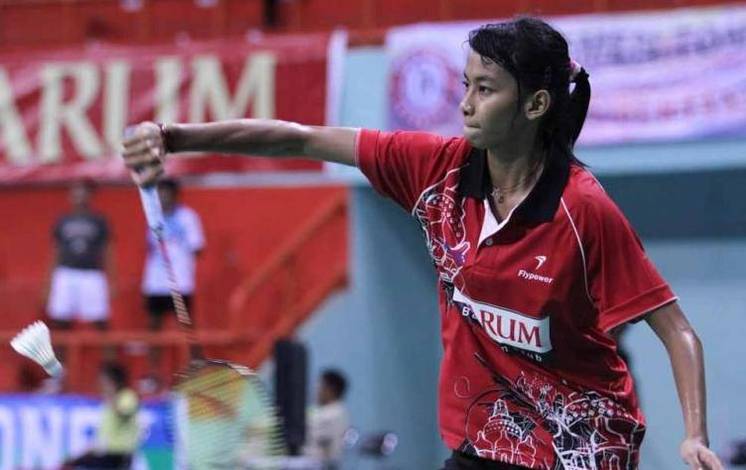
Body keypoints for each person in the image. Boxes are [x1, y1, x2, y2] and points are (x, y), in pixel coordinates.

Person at [121, 17, 723, 470]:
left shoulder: (582, 211)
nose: (465, 103)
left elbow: (677, 331)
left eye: (486, 89)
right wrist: (173, 136)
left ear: (535, 105)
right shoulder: (436, 171)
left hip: (580, 447)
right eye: (466, 84)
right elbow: (300, 139)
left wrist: (694, 435)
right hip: (482, 438)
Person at [140, 178, 204, 388]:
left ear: (175, 195)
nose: (163, 197)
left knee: (186, 328)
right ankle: (153, 375)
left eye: (166, 193)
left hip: (180, 282)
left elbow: (197, 248)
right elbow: (150, 248)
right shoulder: (153, 217)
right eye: (159, 194)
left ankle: (196, 372)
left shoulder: (188, 218)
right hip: (155, 283)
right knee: (153, 329)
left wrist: (178, 254)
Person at [46, 180, 113, 331]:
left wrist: (111, 280)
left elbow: (107, 251)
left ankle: (108, 348)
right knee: (60, 320)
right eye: (76, 193)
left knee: (99, 320)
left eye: (83, 193)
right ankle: (59, 349)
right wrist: (49, 282)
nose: (80, 197)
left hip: (92, 274)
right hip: (66, 273)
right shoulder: (63, 220)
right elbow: (56, 251)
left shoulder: (99, 220)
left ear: (90, 196)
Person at [63, 362, 139, 469]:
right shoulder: (108, 401)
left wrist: (111, 395)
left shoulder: (127, 396)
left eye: (104, 381)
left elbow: (123, 414)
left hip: (120, 453)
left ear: (113, 381)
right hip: (105, 452)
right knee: (69, 463)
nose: (101, 384)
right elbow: (105, 433)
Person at [304, 369, 350, 468]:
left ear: (330, 389)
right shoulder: (324, 411)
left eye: (320, 386)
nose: (317, 391)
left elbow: (306, 429)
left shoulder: (334, 413)